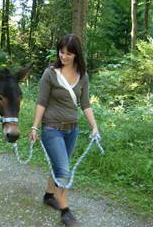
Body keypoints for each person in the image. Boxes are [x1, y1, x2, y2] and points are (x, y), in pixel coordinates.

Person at [29, 34, 99, 226]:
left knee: (58, 164)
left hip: (72, 130)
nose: (64, 56)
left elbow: (85, 104)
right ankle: (65, 211)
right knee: (63, 169)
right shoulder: (50, 73)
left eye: (69, 53)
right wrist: (35, 126)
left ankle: (49, 195)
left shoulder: (82, 76)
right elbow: (41, 102)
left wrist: (94, 126)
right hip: (52, 129)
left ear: (76, 54)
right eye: (61, 52)